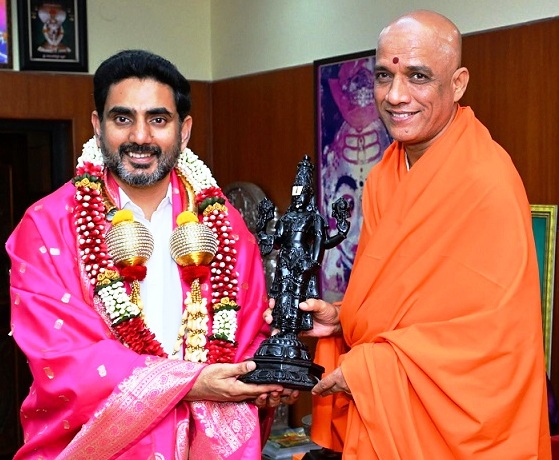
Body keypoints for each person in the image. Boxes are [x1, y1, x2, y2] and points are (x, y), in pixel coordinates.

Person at [270, 10, 551, 459]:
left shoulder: (486, 181)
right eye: (384, 76)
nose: (395, 95)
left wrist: (370, 369)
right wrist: (342, 318)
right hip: (391, 414)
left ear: (458, 84)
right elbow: (402, 299)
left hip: (458, 430)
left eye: (418, 76)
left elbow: (492, 342)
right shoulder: (386, 173)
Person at [7, 49, 298, 459]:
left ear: (184, 130)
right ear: (97, 126)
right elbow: (61, 354)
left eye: (158, 120)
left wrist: (264, 375)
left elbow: (248, 331)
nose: (140, 137)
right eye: (122, 119)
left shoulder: (225, 225)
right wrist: (189, 383)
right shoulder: (49, 224)